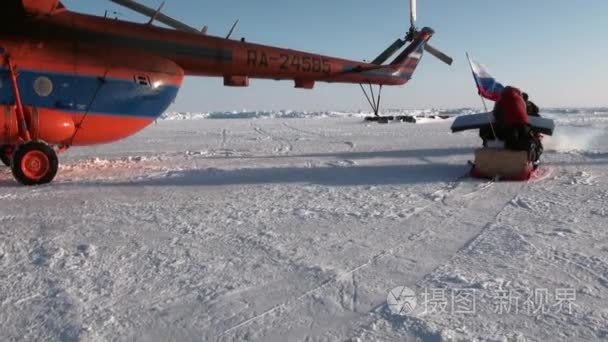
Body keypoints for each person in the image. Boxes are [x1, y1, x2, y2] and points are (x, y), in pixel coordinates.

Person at [493, 86, 542, 166]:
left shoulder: (501, 100)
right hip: (524, 124)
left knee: (511, 145)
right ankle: (533, 156)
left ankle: (512, 163)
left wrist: (499, 124)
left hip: (509, 126)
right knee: (524, 139)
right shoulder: (521, 100)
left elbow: (496, 113)